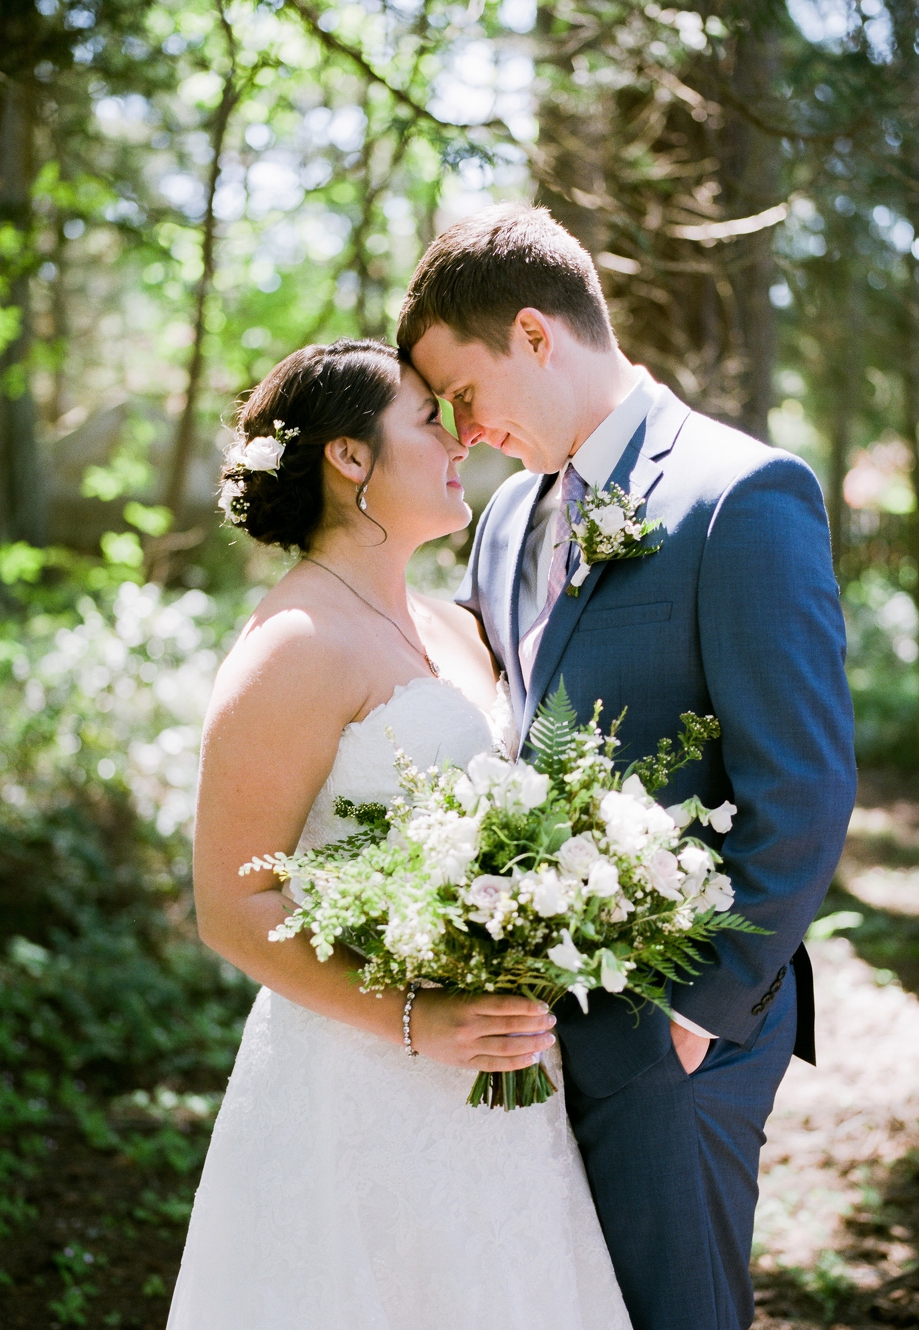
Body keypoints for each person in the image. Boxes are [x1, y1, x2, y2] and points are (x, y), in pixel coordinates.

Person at [396, 203, 857, 1330]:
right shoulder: (503, 521)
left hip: (672, 1034)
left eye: (462, 393)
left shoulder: (740, 495)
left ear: (535, 335)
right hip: (530, 1022)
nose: (457, 433)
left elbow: (800, 788)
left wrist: (690, 1017)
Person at [166, 339, 633, 1330]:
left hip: (505, 1078)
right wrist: (419, 1023)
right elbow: (230, 902)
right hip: (358, 1085)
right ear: (349, 456)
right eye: (429, 418)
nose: (461, 436)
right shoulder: (293, 645)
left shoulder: (458, 626)